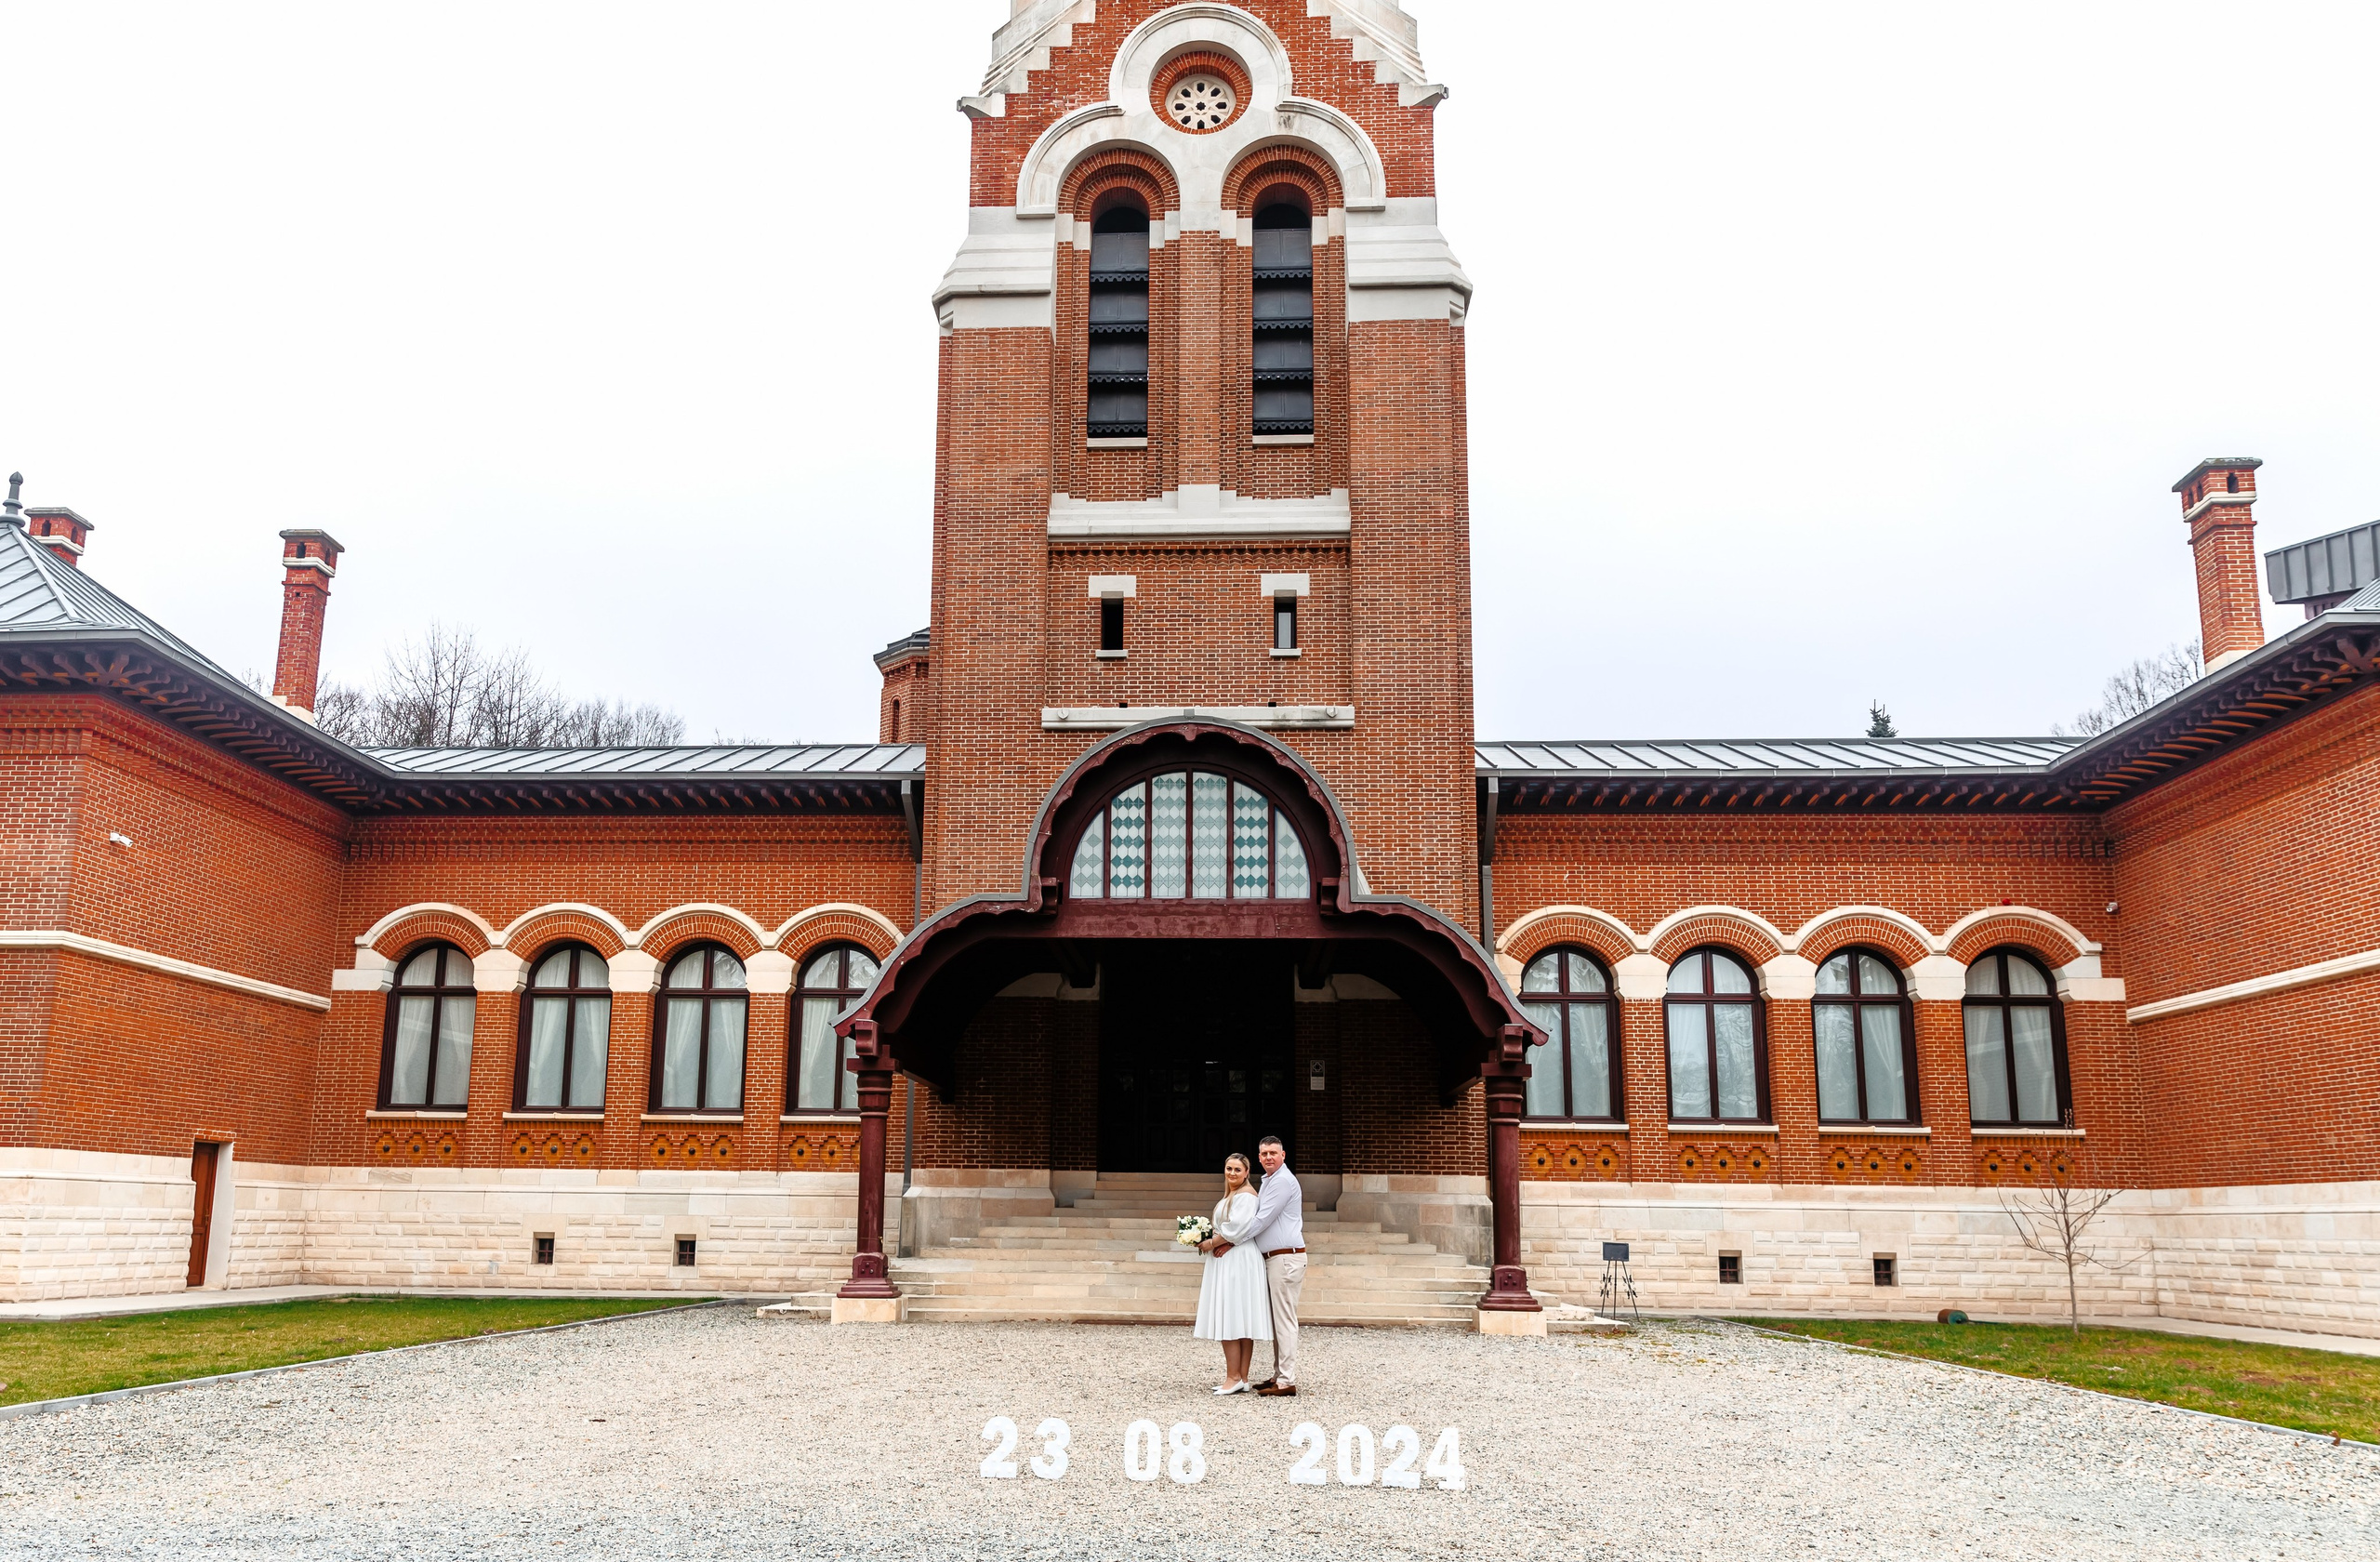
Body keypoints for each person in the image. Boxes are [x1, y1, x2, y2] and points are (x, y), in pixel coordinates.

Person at [1191, 1151, 1271, 1394]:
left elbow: (1236, 1228)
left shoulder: (1246, 1196)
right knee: (1239, 1316)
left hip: (1237, 1261)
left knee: (1231, 1315)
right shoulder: (1234, 1194)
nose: (1232, 1173)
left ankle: (1233, 1377)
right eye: (1229, 1169)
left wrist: (1210, 1243)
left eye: (1238, 1169)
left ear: (1247, 1173)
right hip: (1235, 1256)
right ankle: (1242, 1378)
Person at [1243, 1134, 1304, 1397]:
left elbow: (1262, 1220)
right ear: (1259, 1157)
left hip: (1285, 1258)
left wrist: (1228, 1240)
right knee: (1279, 1320)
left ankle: (1287, 1380)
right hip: (1275, 1259)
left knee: (1285, 1320)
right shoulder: (1269, 1180)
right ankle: (1279, 1375)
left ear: (1283, 1155)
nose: (1269, 1157)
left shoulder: (1282, 1181)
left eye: (1273, 1153)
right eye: (1265, 1153)